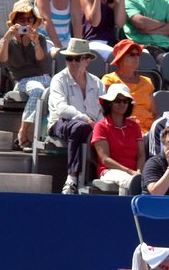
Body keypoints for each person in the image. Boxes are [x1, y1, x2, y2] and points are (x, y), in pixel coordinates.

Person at [48, 38, 106, 194]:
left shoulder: (97, 82)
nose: (72, 62)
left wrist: (99, 126)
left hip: (91, 125)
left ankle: (102, 175)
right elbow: (61, 109)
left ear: (87, 60)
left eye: (77, 58)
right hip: (60, 123)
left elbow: (103, 110)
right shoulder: (59, 79)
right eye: (69, 58)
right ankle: (72, 178)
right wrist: (87, 120)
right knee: (80, 127)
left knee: (103, 131)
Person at [0, 0, 50, 149]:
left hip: (43, 77)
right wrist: (6, 39)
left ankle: (49, 134)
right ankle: (23, 132)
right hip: (22, 81)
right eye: (22, 19)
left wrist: (36, 42)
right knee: (38, 90)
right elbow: (1, 62)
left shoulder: (39, 38)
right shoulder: (7, 40)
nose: (26, 23)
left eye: (30, 19)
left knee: (58, 90)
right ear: (15, 22)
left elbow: (41, 61)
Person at [91, 83, 145, 195]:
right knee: (128, 181)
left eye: (125, 101)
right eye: (117, 101)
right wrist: (130, 172)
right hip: (108, 172)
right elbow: (105, 159)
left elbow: (141, 155)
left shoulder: (134, 126)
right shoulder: (100, 126)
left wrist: (139, 172)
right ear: (109, 103)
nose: (122, 104)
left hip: (134, 173)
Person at [101, 39, 156, 134]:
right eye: (131, 55)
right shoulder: (110, 80)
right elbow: (105, 111)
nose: (136, 58)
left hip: (149, 131)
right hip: (123, 129)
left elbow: (154, 113)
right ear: (120, 59)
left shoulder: (147, 82)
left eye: (138, 54)